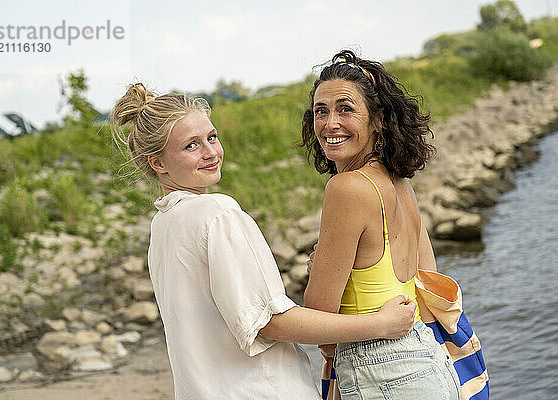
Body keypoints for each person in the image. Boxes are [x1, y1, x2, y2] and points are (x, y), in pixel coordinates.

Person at [110, 83, 418, 400]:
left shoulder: (163, 224)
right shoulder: (217, 212)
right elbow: (268, 322)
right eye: (192, 146)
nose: (210, 152)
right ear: (157, 163)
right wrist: (380, 324)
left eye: (211, 137)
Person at [302, 50, 462, 399]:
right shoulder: (401, 186)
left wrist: (320, 272)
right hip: (429, 362)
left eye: (346, 108)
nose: (330, 123)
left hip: (384, 371)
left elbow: (318, 316)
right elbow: (428, 284)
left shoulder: (346, 188)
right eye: (321, 111)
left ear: (378, 120)